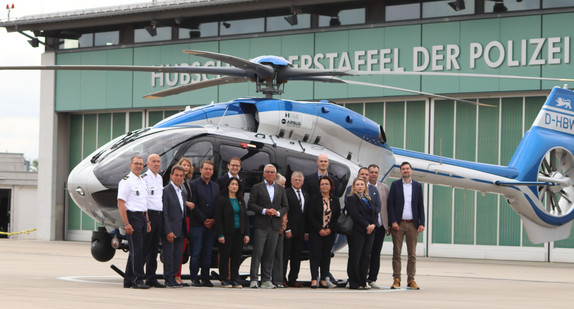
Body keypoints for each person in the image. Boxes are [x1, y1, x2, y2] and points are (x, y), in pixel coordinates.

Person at [248, 164, 289, 289]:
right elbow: (251, 204)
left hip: (275, 225)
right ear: (264, 174)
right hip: (261, 224)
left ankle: (266, 279)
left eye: (272, 172)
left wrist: (278, 213)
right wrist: (264, 210)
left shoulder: (280, 189)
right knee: (258, 253)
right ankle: (254, 279)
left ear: (275, 174)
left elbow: (285, 206)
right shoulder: (257, 187)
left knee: (270, 254)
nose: (270, 174)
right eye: (268, 172)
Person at [388, 161, 425, 290]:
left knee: (412, 254)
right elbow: (390, 204)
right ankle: (396, 279)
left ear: (411, 170)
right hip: (398, 224)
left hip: (412, 225)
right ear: (400, 171)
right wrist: (393, 221)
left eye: (407, 169)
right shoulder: (395, 185)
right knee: (396, 252)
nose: (405, 171)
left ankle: (411, 279)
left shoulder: (417, 186)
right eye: (403, 169)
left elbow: (421, 205)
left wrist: (422, 223)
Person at [117, 155, 151, 289]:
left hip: (142, 217)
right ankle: (138, 280)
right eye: (136, 163)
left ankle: (128, 280)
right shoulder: (126, 181)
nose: (138, 166)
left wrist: (147, 220)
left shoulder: (142, 181)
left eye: (141, 164)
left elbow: (144, 202)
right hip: (132, 217)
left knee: (137, 251)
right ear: (130, 165)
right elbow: (121, 203)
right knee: (137, 250)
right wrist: (126, 223)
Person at [188, 160, 220, 287]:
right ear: (200, 170)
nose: (208, 171)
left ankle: (205, 277)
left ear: (212, 172)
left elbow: (218, 205)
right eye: (205, 169)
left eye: (210, 169)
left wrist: (213, 220)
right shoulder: (193, 184)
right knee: (196, 252)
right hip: (197, 224)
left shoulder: (216, 186)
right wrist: (204, 220)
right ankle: (194, 277)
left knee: (207, 252)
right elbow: (193, 204)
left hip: (211, 225)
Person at [214, 177, 250, 288]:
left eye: (236, 185)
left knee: (236, 257)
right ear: (228, 186)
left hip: (239, 233)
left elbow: (245, 218)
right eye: (232, 184)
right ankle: (224, 279)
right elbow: (218, 218)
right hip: (226, 233)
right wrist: (220, 234)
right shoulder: (222, 200)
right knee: (225, 256)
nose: (234, 186)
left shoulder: (241, 200)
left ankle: (234, 279)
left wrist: (247, 233)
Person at [307, 176, 340, 289]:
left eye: (326, 184)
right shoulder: (314, 198)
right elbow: (310, 216)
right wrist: (319, 229)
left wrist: (330, 229)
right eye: (322, 184)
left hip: (329, 233)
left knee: (326, 256)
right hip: (316, 232)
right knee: (315, 255)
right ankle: (314, 278)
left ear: (331, 186)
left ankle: (323, 279)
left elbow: (337, 217)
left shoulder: (335, 200)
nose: (324, 186)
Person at [345, 177, 377, 290]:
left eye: (361, 184)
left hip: (369, 232)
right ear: (354, 187)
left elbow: (375, 213)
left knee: (365, 257)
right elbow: (355, 214)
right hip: (357, 231)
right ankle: (354, 282)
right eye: (357, 184)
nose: (359, 186)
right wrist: (366, 225)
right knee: (355, 256)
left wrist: (373, 225)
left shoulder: (368, 199)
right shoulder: (351, 199)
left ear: (365, 186)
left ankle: (363, 281)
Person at [141, 154, 166, 288]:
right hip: (148, 214)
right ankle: (138, 276)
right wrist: (147, 220)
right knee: (145, 248)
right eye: (154, 161)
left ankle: (151, 277)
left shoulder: (160, 178)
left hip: (158, 214)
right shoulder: (144, 178)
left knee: (154, 248)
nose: (156, 164)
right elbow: (144, 200)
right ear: (148, 163)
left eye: (158, 161)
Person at [162, 165, 188, 288]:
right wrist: (168, 230)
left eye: (181, 176)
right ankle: (168, 278)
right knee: (169, 255)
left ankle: (174, 277)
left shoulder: (181, 191)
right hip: (170, 230)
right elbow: (164, 212)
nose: (178, 178)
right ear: (171, 176)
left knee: (178, 256)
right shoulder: (166, 191)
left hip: (180, 229)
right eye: (176, 175)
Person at [283, 171, 309, 288]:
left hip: (301, 231)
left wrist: (306, 231)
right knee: (285, 255)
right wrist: (287, 229)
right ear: (291, 181)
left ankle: (293, 279)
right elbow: (285, 211)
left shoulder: (305, 194)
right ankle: (281, 278)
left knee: (296, 256)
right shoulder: (286, 192)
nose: (297, 182)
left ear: (302, 182)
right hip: (289, 230)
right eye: (295, 180)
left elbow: (306, 214)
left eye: (299, 180)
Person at [366, 164, 390, 289]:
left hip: (380, 226)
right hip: (368, 226)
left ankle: (372, 278)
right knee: (365, 253)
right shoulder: (363, 186)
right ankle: (363, 276)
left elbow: (388, 206)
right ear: (368, 173)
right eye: (371, 172)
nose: (374, 174)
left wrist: (389, 225)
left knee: (376, 253)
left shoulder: (384, 188)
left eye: (376, 172)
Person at [174, 157, 194, 286]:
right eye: (184, 165)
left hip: (186, 218)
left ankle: (178, 275)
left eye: (188, 165)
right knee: (176, 249)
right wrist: (187, 203)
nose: (186, 167)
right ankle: (174, 275)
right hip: (178, 219)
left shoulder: (187, 182)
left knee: (182, 249)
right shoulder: (178, 183)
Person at [272, 173, 287, 288]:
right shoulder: (272, 194)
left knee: (278, 255)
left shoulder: (283, 195)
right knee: (268, 255)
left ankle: (278, 279)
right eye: (282, 184)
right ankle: (267, 278)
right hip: (270, 227)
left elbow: (285, 212)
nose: (284, 187)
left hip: (280, 228)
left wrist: (283, 226)